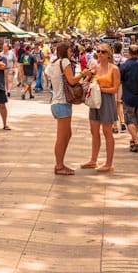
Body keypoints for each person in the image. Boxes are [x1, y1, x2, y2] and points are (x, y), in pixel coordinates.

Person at [80, 42, 121, 172]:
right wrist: (87, 76)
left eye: (103, 52)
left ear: (109, 54)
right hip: (94, 100)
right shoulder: (94, 67)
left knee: (107, 131)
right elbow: (85, 82)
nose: (99, 54)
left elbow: (115, 89)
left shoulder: (114, 69)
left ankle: (109, 163)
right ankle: (93, 160)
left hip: (107, 100)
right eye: (98, 51)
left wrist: (99, 89)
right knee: (94, 131)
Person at [48, 41, 82, 175]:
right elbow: (72, 80)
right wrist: (83, 74)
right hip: (62, 103)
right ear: (65, 51)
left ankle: (60, 164)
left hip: (57, 102)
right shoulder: (65, 62)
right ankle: (59, 166)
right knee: (62, 137)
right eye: (70, 50)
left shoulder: (53, 63)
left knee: (66, 134)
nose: (72, 53)